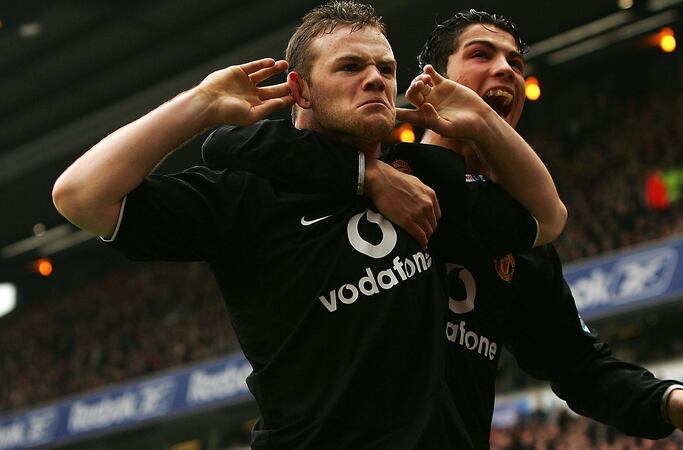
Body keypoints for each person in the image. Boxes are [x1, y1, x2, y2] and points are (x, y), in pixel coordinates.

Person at [52, 2, 566, 449]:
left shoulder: (424, 180)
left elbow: (546, 218)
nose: (375, 79)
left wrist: (481, 121)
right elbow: (80, 195)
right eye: (350, 66)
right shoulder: (248, 197)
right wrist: (202, 104)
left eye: (385, 68)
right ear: (299, 89)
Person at [204, 8, 683, 450]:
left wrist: (665, 400)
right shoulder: (375, 163)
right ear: (432, 79)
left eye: (516, 63)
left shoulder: (519, 233)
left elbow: (577, 363)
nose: (506, 71)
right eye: (481, 55)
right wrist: (368, 174)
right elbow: (232, 145)